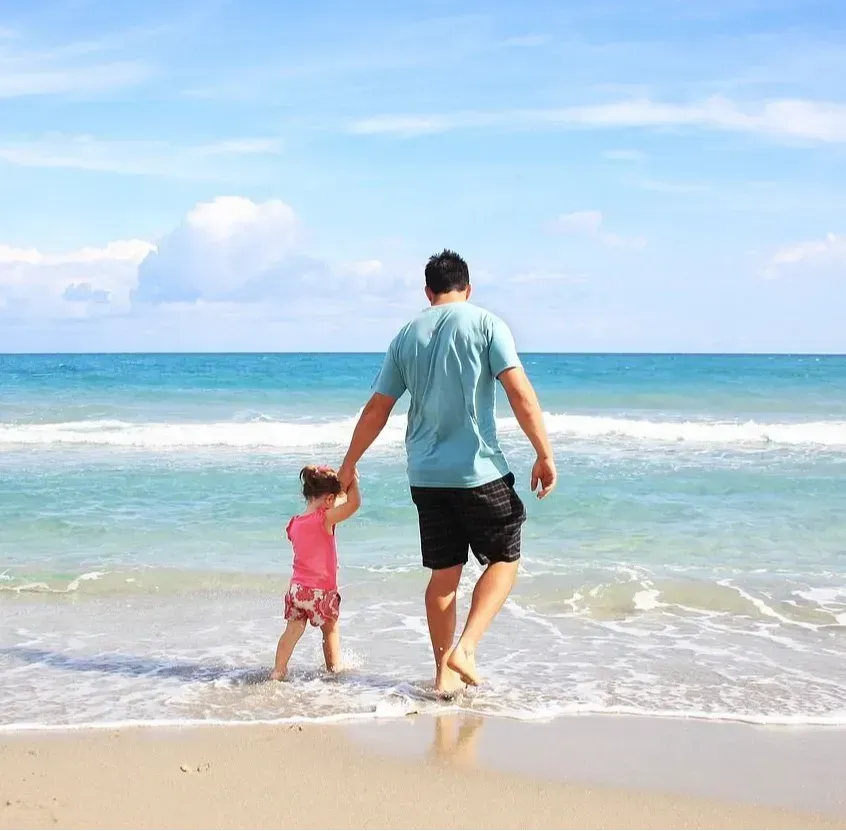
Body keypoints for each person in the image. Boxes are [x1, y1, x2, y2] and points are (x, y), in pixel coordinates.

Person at [338, 249, 556, 694]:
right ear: (468, 288)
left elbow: (378, 407)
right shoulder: (486, 323)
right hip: (476, 471)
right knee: (505, 557)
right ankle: (467, 649)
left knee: (444, 574)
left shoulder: (405, 335)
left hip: (425, 475)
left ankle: (443, 677)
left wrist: (349, 462)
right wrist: (543, 453)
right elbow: (519, 393)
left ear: (428, 291)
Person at [270, 465, 360, 680]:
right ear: (329, 500)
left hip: (297, 591)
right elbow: (354, 504)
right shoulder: (325, 520)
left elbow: (329, 505)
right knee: (330, 630)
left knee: (292, 630)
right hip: (321, 592)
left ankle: (278, 670)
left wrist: (336, 491)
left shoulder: (294, 524)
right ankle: (333, 669)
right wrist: (353, 481)